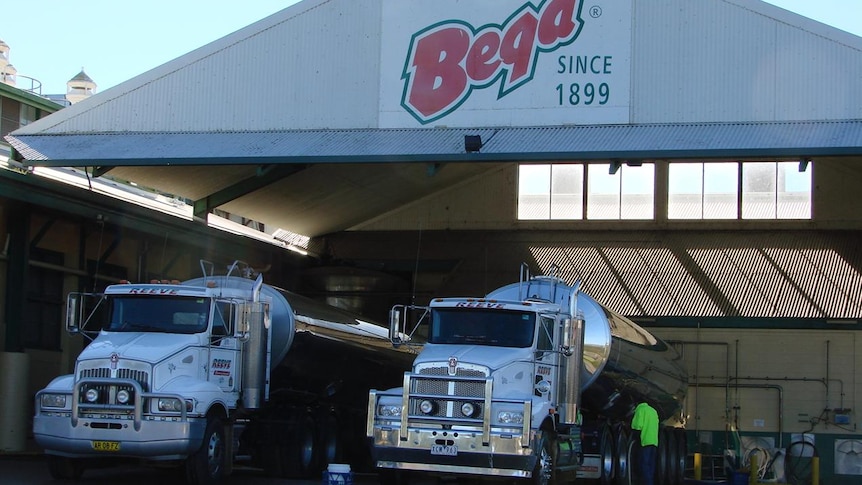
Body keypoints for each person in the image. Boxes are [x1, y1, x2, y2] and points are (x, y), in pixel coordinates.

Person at [631, 401, 659, 485]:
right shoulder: (653, 411)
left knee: (644, 465)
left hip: (645, 442)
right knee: (651, 466)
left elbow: (637, 426)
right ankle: (651, 482)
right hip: (654, 441)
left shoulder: (640, 410)